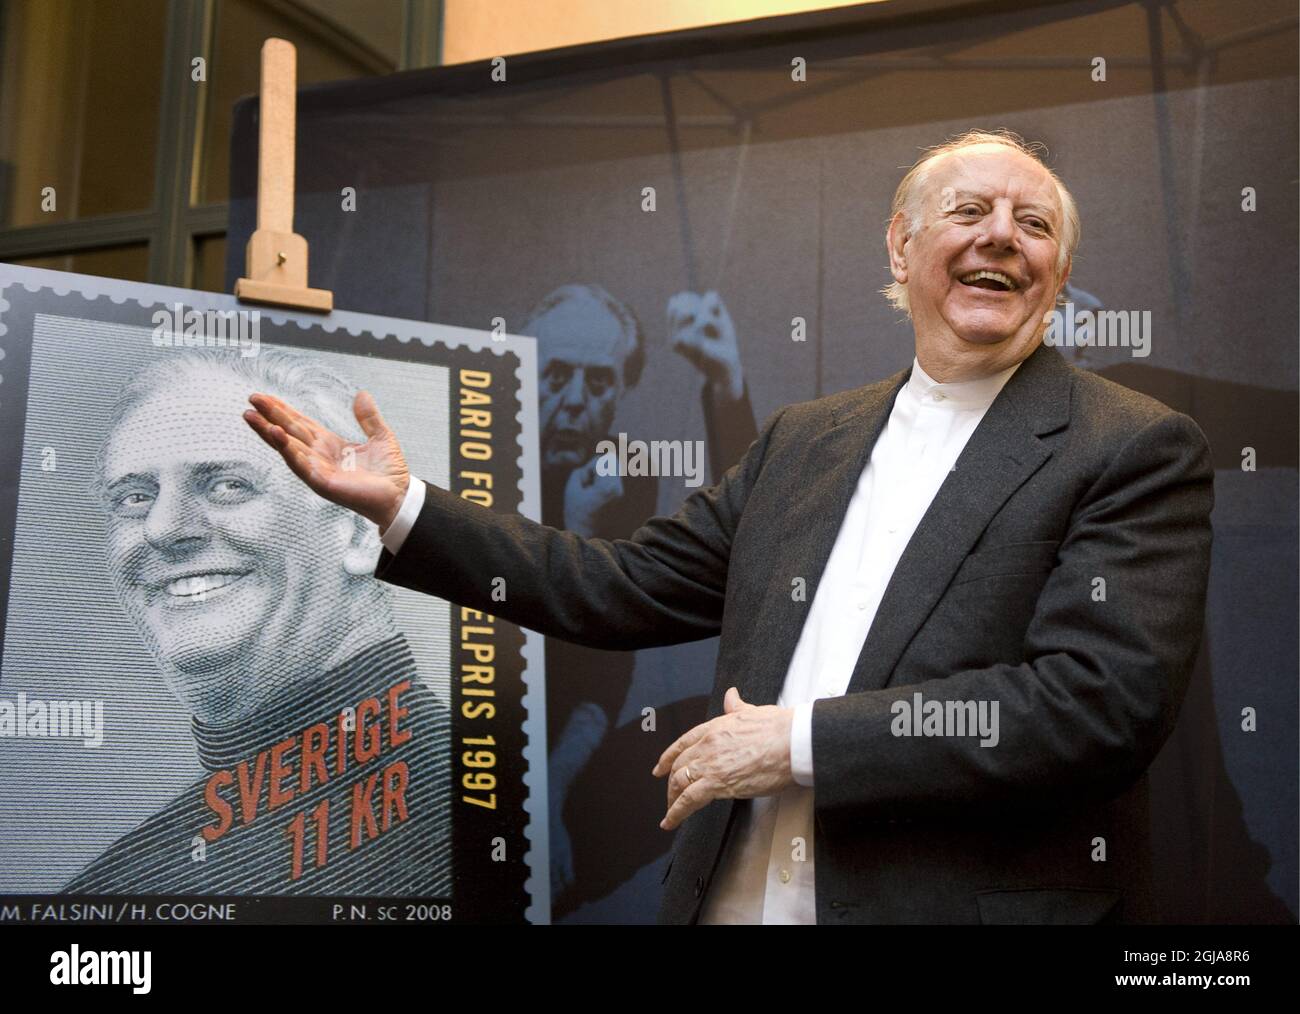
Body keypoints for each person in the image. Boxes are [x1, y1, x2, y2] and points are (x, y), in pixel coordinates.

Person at [244, 129, 1214, 924]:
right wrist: (406, 507)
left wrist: (797, 745)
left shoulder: (1130, 447)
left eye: (1032, 223)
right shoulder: (805, 441)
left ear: (1060, 268)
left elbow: (1094, 704)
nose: (1000, 236)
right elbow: (615, 585)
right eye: (968, 211)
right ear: (899, 246)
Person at [67, 347, 451, 896]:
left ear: (362, 532)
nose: (163, 528)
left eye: (227, 486)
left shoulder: (482, 815)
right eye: (133, 497)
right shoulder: (116, 887)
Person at [518, 282, 756, 911]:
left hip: (560, 726)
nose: (574, 402)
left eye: (598, 383)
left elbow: (606, 650)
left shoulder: (618, 470)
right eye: (557, 375)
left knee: (704, 732)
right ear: (520, 371)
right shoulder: (475, 445)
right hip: (463, 721)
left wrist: (725, 383)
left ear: (622, 388)